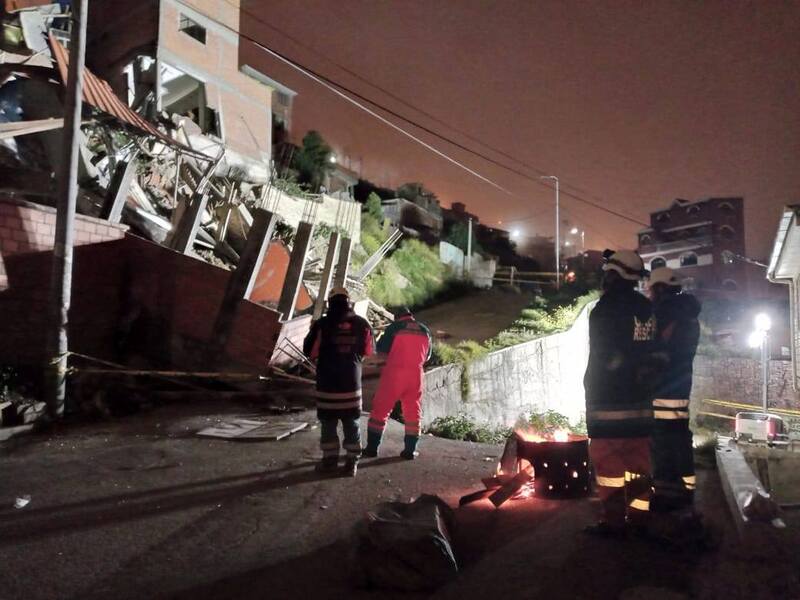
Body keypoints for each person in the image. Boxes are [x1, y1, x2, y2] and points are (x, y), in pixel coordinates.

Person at [584, 249, 657, 536]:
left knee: (610, 467)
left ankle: (614, 522)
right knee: (638, 463)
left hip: (609, 402)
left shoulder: (605, 309)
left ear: (614, 274)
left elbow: (604, 356)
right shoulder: (647, 308)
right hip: (642, 404)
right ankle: (639, 518)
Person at [303, 286, 374, 477]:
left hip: (327, 383)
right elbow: (368, 351)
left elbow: (310, 352)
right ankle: (351, 463)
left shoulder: (321, 324)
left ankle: (330, 460)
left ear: (330, 302)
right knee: (351, 422)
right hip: (351, 383)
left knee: (328, 423)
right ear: (348, 301)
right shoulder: (362, 324)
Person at [647, 267, 701, 516]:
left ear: (659, 288)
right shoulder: (689, 314)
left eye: (652, 289)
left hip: (663, 388)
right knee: (679, 437)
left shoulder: (665, 312)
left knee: (663, 441)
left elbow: (656, 350)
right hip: (681, 387)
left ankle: (667, 495)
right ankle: (685, 491)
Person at [363, 308, 432, 460]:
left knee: (380, 411)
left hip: (394, 374)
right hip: (416, 376)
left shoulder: (394, 328)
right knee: (413, 412)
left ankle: (372, 449)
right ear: (410, 316)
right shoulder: (424, 330)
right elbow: (427, 357)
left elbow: (381, 353)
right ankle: (410, 451)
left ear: (397, 317)